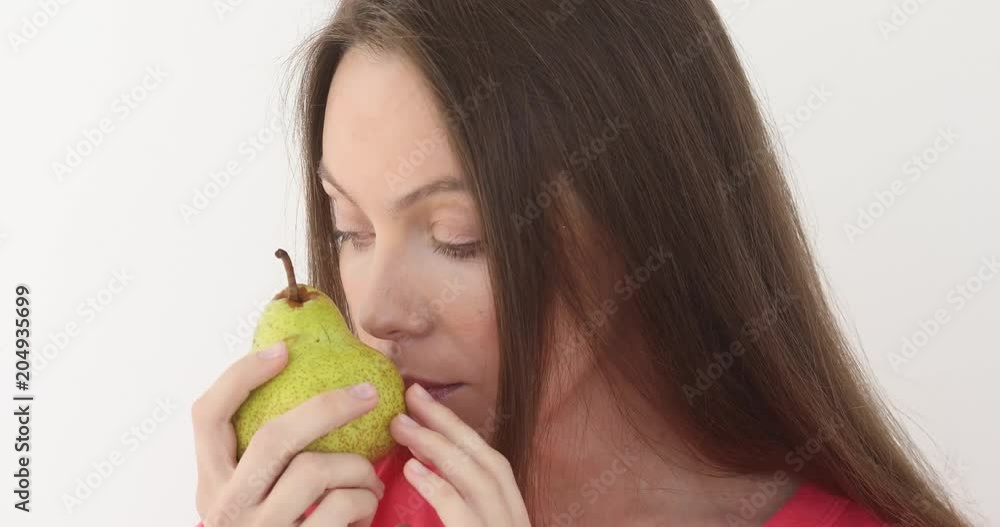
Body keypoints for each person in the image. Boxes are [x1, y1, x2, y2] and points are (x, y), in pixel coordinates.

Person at [192, 1, 972, 525]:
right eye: (350, 229)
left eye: (460, 235)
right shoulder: (337, 504)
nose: (377, 310)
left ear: (645, 214)